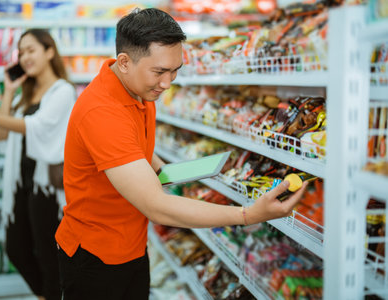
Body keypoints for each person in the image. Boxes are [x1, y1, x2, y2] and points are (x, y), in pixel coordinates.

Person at [56, 7, 308, 300]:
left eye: (175, 71)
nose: (167, 83)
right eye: (160, 71)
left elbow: (132, 146)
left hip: (132, 245)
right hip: (95, 257)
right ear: (124, 62)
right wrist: (247, 214)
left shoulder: (137, 87)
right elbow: (156, 206)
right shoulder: (101, 111)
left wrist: (165, 170)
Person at [0, 28, 76, 300]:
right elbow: (2, 134)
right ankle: (47, 294)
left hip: (46, 187)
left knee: (49, 254)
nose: (25, 56)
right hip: (21, 182)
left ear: (49, 52)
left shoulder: (63, 91)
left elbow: (32, 127)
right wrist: (9, 90)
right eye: (21, 51)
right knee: (16, 248)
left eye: (31, 49)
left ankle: (51, 295)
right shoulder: (25, 94)